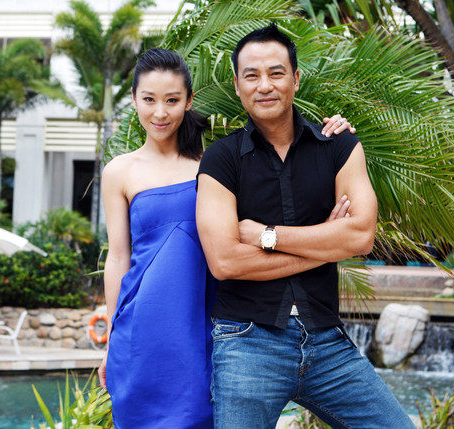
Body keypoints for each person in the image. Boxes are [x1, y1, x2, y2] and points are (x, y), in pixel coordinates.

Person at [98, 47, 354, 428]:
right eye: (149, 100)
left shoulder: (217, 164)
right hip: (141, 332)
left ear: (189, 101)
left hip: (207, 329)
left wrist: (329, 136)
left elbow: (280, 174)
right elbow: (119, 257)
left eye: (172, 100)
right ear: (134, 99)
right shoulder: (119, 171)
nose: (160, 112)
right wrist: (110, 338)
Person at [196, 24, 415, 429]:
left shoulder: (340, 146)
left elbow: (361, 235)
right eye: (252, 75)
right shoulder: (220, 159)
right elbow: (225, 262)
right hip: (247, 341)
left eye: (276, 73)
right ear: (238, 85)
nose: (265, 85)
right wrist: (326, 244)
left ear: (295, 79)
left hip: (326, 339)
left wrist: (266, 236)